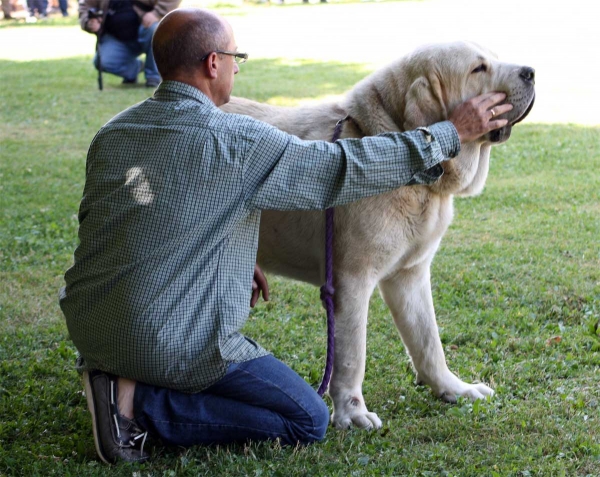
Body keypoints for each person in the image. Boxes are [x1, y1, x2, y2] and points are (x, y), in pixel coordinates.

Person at [59, 7, 512, 465]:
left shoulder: (114, 131)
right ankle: (138, 406)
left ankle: (120, 376)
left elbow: (141, 210)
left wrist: (229, 245)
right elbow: (342, 168)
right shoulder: (239, 140)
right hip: (166, 338)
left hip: (91, 325)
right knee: (305, 419)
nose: (238, 67)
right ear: (213, 63)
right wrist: (449, 135)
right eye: (236, 57)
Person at [79, 0, 181, 88]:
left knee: (155, 29)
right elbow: (84, 8)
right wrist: (89, 22)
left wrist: (157, 13)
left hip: (145, 29)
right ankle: (137, 68)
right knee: (102, 62)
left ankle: (153, 76)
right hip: (116, 37)